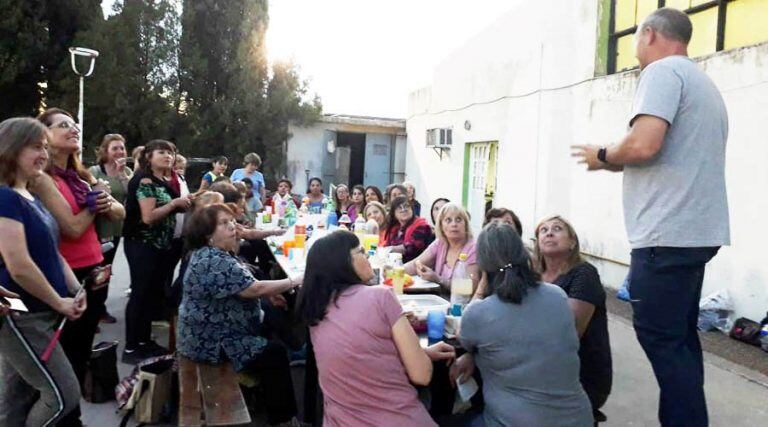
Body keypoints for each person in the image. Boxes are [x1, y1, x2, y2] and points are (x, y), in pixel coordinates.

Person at [572, 9, 728, 426]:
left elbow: (643, 145)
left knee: (662, 342)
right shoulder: (703, 84)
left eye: (637, 41)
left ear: (651, 35)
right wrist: (613, 161)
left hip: (667, 234)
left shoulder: (662, 73)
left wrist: (603, 154)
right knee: (678, 342)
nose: (635, 51)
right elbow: (660, 153)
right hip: (694, 232)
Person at [297, 230, 455, 427]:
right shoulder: (381, 297)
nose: (368, 256)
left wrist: (420, 352)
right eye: (361, 251)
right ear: (343, 263)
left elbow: (361, 354)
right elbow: (422, 374)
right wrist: (419, 356)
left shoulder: (317, 310)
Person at [452, 223, 593, 426]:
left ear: (483, 264)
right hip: (578, 418)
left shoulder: (479, 313)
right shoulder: (557, 295)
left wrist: (482, 287)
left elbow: (463, 334)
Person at [36, 109, 125, 427]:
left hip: (95, 272)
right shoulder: (43, 178)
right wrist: (95, 202)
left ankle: (70, 415)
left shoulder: (81, 176)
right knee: (65, 357)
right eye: (63, 125)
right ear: (43, 135)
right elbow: (72, 228)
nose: (73, 129)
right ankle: (66, 418)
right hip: (64, 275)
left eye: (74, 124)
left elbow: (119, 213)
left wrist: (102, 199)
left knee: (81, 349)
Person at [178, 204, 301, 426]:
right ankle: (283, 419)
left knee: (271, 317)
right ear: (208, 235)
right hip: (214, 341)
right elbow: (253, 289)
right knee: (275, 353)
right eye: (224, 224)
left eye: (231, 221)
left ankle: (278, 384)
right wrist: (295, 280)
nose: (232, 227)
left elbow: (247, 286)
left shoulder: (215, 254)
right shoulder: (213, 260)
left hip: (217, 329)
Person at [0, 117, 86, 426]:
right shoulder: (5, 197)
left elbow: (53, 253)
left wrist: (76, 289)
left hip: (40, 314)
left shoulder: (31, 197)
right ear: (11, 149)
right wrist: (58, 301)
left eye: (46, 148)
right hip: (23, 316)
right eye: (36, 147)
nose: (44, 155)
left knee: (15, 401)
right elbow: (19, 265)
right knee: (63, 396)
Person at [535, 216, 612, 423]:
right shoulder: (533, 276)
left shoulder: (584, 274)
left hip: (580, 374)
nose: (549, 233)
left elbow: (569, 333)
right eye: (543, 230)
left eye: (557, 229)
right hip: (541, 366)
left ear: (572, 242)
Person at [122, 140, 191, 363]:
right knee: (140, 295)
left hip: (160, 246)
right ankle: (132, 347)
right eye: (161, 152)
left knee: (152, 295)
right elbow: (148, 217)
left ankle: (144, 340)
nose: (168, 156)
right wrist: (174, 205)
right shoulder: (145, 180)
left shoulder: (165, 179)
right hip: (142, 244)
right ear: (148, 157)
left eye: (171, 152)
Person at [88, 133, 133, 324]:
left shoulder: (127, 171)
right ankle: (90, 312)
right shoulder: (95, 171)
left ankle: (100, 309)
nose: (119, 151)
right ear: (105, 151)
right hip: (96, 229)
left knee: (107, 270)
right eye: (115, 148)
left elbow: (132, 194)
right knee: (93, 273)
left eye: (122, 148)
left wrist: (122, 173)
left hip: (115, 229)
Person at [404, 202, 479, 296]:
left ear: (466, 225)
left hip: (462, 304)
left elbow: (470, 288)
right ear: (441, 226)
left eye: (459, 220)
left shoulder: (473, 248)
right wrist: (394, 271)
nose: (454, 224)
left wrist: (438, 279)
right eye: (448, 220)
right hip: (440, 299)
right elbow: (416, 264)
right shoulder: (440, 243)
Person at [383, 196, 434, 263]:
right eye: (399, 208)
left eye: (407, 206)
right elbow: (386, 247)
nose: (404, 209)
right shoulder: (393, 229)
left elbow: (411, 248)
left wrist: (389, 249)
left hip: (416, 267)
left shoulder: (421, 226)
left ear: (412, 209)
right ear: (394, 213)